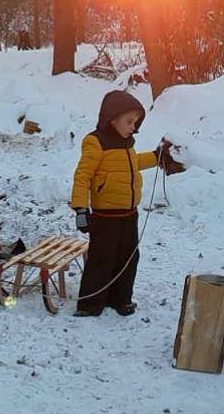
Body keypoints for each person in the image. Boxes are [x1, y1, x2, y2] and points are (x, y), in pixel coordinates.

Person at [69, 90, 165, 317]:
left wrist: (156, 156)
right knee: (103, 258)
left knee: (128, 258)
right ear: (112, 119)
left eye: (136, 122)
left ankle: (120, 299)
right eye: (129, 121)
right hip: (105, 216)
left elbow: (132, 164)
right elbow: (83, 176)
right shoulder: (96, 142)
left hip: (129, 214)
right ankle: (90, 304)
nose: (134, 126)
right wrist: (81, 208)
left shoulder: (126, 144)